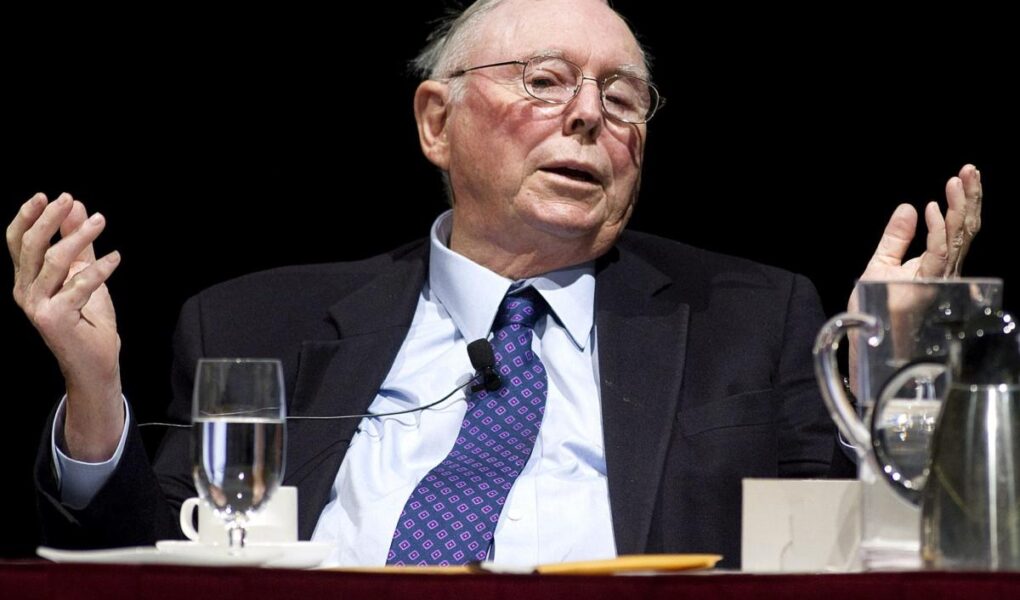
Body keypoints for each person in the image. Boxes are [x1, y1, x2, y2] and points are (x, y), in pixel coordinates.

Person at [8, 0, 981, 568]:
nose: (589, 117)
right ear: (437, 122)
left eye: (623, 97)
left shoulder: (752, 318)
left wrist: (889, 383)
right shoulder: (256, 322)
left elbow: (847, 552)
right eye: (545, 81)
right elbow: (146, 569)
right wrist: (94, 398)